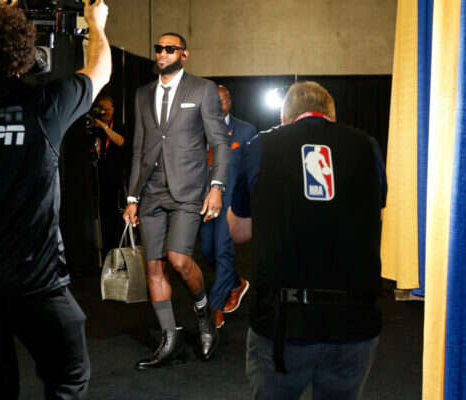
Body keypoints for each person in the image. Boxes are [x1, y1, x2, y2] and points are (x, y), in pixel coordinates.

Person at [0, 0, 111, 398]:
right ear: (24, 53)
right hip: (35, 285)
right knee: (68, 380)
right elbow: (100, 71)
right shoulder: (46, 104)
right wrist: (95, 23)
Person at [228, 81, 386, 400]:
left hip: (284, 322)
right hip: (353, 320)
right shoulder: (367, 146)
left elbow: (240, 231)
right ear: (332, 116)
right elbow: (377, 215)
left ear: (285, 118)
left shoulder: (259, 146)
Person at [123, 32, 230, 369]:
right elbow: (138, 149)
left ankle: (203, 315)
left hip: (188, 190)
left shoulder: (202, 89)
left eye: (170, 49)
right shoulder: (142, 94)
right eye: (159, 48)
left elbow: (219, 142)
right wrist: (132, 197)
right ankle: (170, 339)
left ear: (184, 54)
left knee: (179, 259)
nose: (162, 53)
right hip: (151, 191)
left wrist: (217, 187)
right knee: (154, 265)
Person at [199, 85, 254, 329]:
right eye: (215, 101)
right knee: (207, 250)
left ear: (230, 102)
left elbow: (251, 169)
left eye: (224, 100)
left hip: (230, 201)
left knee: (222, 250)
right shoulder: (198, 129)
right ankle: (235, 283)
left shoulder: (245, 131)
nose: (220, 105)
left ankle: (216, 307)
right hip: (204, 201)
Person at [91, 94, 127, 254]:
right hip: (97, 177)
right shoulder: (94, 127)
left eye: (107, 108)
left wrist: (104, 127)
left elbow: (121, 141)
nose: (104, 111)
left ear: (113, 109)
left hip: (115, 178)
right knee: (101, 215)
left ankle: (117, 249)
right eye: (101, 108)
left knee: (115, 215)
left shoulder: (118, 126)